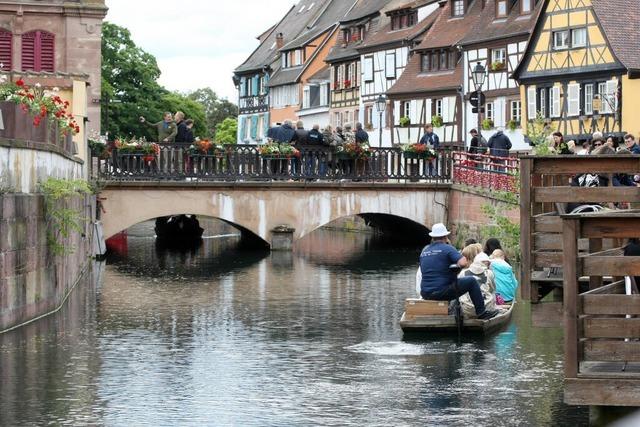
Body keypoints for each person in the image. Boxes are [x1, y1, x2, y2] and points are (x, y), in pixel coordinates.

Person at [419, 223, 500, 320]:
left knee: (451, 283)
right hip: (441, 292)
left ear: (433, 237)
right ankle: (481, 313)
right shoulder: (447, 248)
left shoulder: (424, 251)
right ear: (445, 237)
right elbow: (463, 262)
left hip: (425, 293)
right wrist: (455, 270)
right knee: (471, 281)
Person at [459, 252, 497, 318]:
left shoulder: (462, 273)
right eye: (487, 263)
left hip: (467, 309)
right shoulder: (489, 273)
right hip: (487, 308)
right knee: (493, 293)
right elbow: (493, 289)